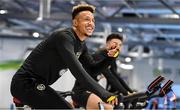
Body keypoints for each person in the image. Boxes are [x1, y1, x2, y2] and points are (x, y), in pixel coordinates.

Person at [10, 3, 119, 109]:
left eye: (93, 20)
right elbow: (78, 72)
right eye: (87, 19)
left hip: (39, 84)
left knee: (68, 106)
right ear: (75, 22)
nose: (91, 23)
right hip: (25, 83)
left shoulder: (81, 46)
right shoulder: (64, 37)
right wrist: (104, 94)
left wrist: (111, 58)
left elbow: (93, 70)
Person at [72, 33, 133, 109]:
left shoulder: (111, 59)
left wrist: (130, 92)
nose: (118, 47)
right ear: (107, 44)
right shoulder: (99, 56)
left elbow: (116, 76)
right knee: (108, 108)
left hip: (94, 91)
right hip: (81, 91)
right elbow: (110, 78)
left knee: (117, 104)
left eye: (120, 45)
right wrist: (125, 93)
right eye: (115, 43)